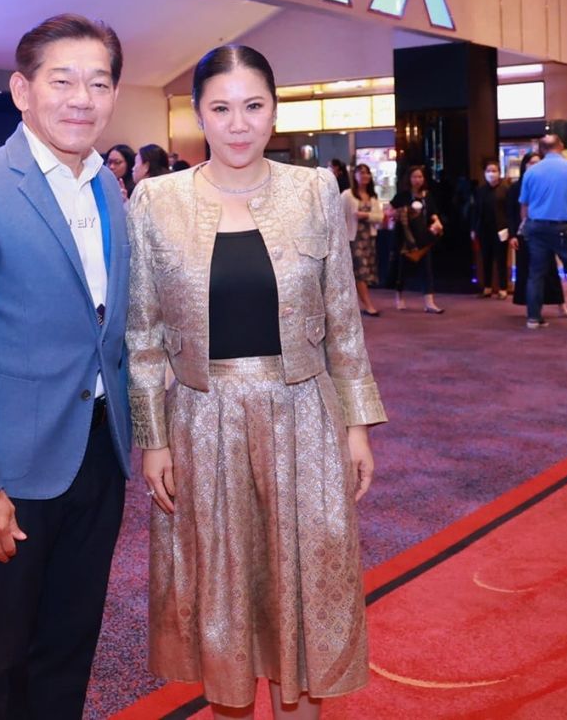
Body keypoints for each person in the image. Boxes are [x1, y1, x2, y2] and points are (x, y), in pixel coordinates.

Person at [129, 43, 385, 718]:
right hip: (201, 419)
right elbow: (143, 333)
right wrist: (153, 440)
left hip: (304, 416)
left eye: (253, 106)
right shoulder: (156, 199)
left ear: (274, 111)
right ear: (198, 114)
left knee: (307, 594)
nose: (238, 124)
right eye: (221, 108)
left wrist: (357, 426)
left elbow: (342, 320)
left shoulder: (314, 190)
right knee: (225, 601)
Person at [0, 14, 132, 720]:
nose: (82, 98)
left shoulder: (108, 190)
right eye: (62, 80)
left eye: (98, 83)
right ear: (22, 90)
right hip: (12, 471)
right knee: (1, 660)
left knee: (69, 647)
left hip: (99, 456)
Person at [517, 134, 567, 330]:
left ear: (541, 149)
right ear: (561, 146)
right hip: (566, 227)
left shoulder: (531, 172)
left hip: (537, 227)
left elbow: (524, 205)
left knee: (536, 273)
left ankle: (533, 318)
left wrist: (525, 226)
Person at [510, 150, 567, 318]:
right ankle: (534, 310)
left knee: (551, 269)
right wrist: (513, 234)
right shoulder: (516, 187)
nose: (534, 166)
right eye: (531, 163)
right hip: (525, 233)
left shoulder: (547, 184)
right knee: (528, 272)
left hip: (545, 231)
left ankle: (561, 306)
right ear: (524, 165)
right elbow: (512, 212)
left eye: (538, 162)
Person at [390, 165, 444, 314]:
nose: (417, 180)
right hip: (406, 238)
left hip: (423, 237)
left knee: (427, 269)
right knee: (403, 269)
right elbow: (391, 210)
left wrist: (437, 222)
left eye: (420, 176)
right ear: (409, 178)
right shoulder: (402, 195)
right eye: (414, 177)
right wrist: (397, 214)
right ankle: (399, 296)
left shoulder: (427, 196)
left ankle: (429, 302)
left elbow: (433, 213)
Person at [345, 163, 384, 316]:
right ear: (354, 176)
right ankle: (368, 305)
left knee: (366, 271)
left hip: (368, 238)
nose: (364, 176)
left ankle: (357, 304)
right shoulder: (347, 195)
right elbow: (338, 215)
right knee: (360, 270)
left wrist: (366, 215)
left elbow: (379, 217)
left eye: (367, 173)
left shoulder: (372, 196)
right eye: (361, 173)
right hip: (353, 238)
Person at [472, 159, 510, 299]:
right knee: (486, 258)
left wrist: (510, 228)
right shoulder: (480, 190)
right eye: (488, 171)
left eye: (494, 171)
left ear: (499, 173)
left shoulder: (505, 190)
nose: (491, 174)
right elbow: (475, 210)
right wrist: (473, 228)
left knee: (501, 259)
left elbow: (509, 211)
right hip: (484, 229)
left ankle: (503, 288)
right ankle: (487, 287)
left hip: (501, 229)